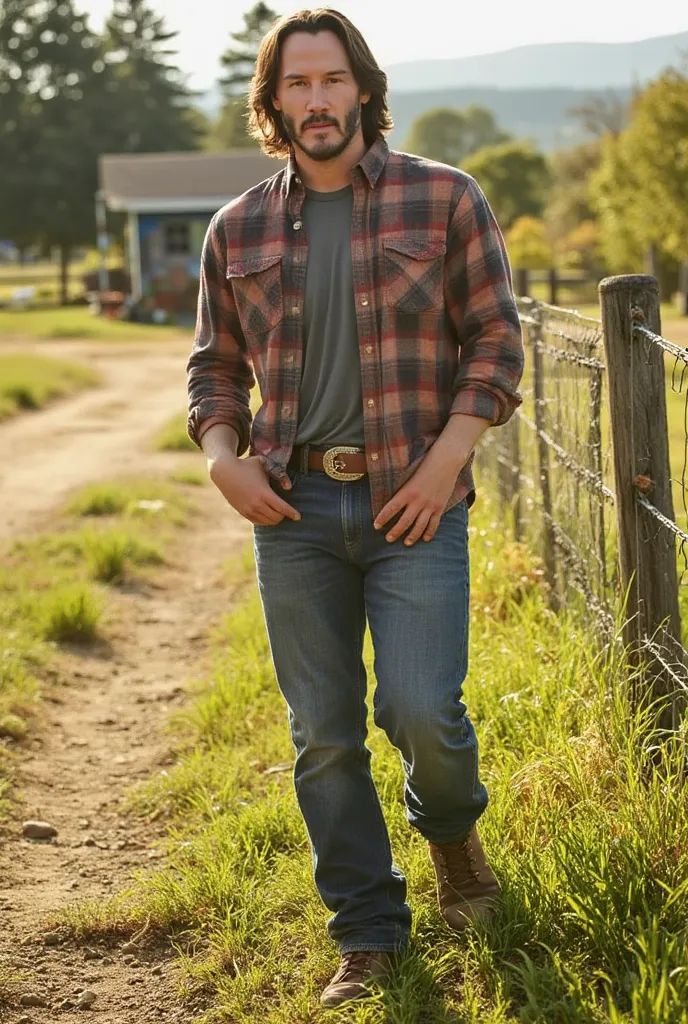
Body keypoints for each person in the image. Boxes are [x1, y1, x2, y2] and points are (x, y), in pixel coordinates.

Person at [186, 7, 524, 1009]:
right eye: (297, 84)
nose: (317, 99)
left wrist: (445, 459)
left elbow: (497, 342)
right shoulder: (235, 227)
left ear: (363, 90)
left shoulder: (444, 197)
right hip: (292, 513)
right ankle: (368, 933)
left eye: (332, 80)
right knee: (323, 732)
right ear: (273, 102)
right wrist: (221, 460)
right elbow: (213, 369)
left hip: (414, 504)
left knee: (422, 710)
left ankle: (451, 831)